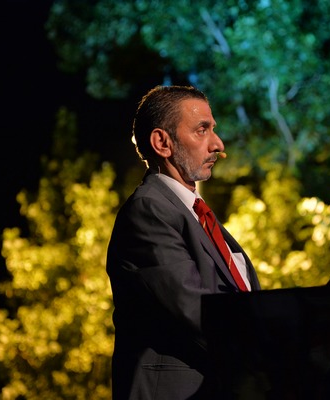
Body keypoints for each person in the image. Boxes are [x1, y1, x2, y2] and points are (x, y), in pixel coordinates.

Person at [106, 85, 261, 399]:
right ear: (162, 142)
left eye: (213, 129)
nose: (217, 144)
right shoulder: (149, 211)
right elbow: (197, 311)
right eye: (202, 130)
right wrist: (281, 341)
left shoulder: (195, 213)